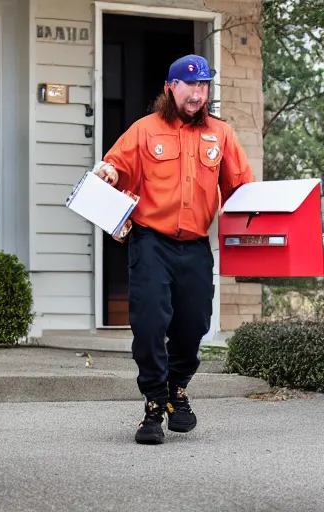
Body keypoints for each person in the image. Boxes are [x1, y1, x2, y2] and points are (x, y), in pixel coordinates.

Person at [94, 54, 255, 445]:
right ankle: (154, 403)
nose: (198, 94)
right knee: (150, 324)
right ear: (171, 88)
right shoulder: (144, 130)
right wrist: (110, 176)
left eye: (204, 86)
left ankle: (176, 389)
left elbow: (242, 191)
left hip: (195, 245)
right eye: (191, 86)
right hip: (151, 242)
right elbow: (111, 171)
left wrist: (259, 234)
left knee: (194, 325)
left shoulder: (221, 134)